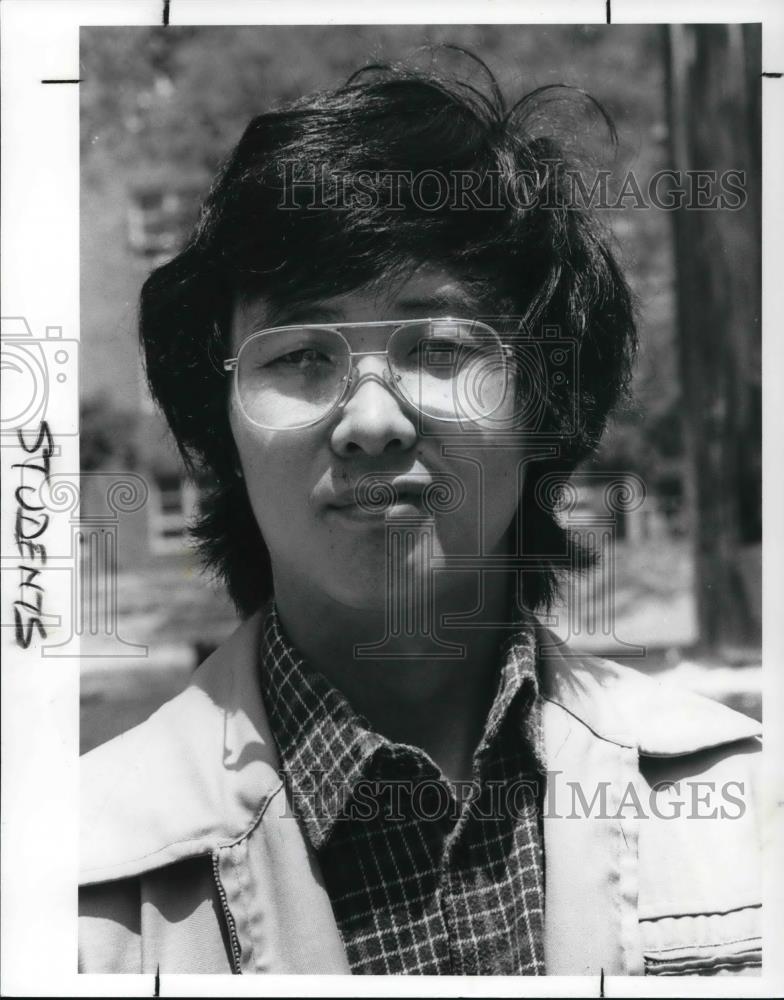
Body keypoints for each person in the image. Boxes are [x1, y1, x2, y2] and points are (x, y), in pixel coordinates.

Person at [79, 60, 762, 976]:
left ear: (542, 405)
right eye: (301, 356)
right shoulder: (70, 884)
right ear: (223, 425)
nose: (370, 421)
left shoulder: (743, 803)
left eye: (439, 345)